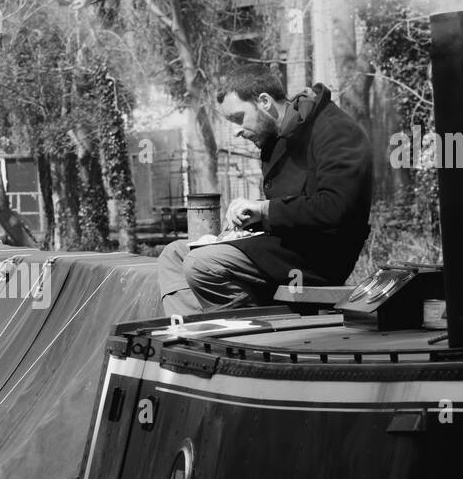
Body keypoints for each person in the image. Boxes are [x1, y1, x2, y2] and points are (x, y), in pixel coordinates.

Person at [157, 65, 372, 316]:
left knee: (202, 263)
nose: (236, 130)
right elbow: (289, 204)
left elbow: (335, 208)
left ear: (264, 101)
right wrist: (250, 220)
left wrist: (264, 209)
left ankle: (252, 337)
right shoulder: (276, 138)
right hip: (281, 248)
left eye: (238, 118)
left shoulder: (336, 130)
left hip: (317, 259)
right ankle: (195, 335)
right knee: (174, 255)